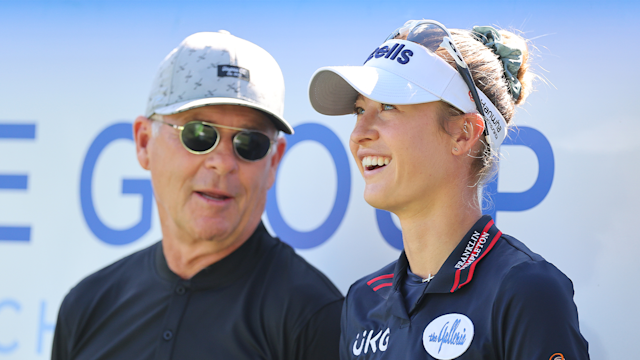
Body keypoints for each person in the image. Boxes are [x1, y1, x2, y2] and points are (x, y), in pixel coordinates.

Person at [52, 31, 343, 360]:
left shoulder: (314, 318)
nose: (222, 163)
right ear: (144, 142)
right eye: (199, 133)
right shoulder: (86, 305)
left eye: (249, 143)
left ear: (273, 161)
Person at [308, 20, 589, 359]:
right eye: (359, 110)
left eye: (388, 106)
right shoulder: (363, 301)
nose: (358, 134)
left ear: (462, 134)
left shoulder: (524, 289)